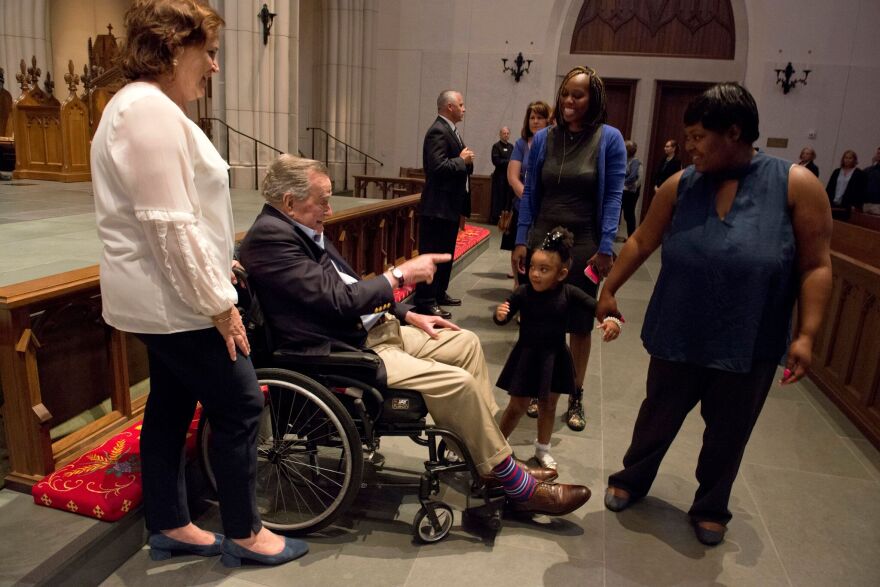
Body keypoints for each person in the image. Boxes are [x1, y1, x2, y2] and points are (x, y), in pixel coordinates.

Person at [238, 154, 592, 517]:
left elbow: (351, 285)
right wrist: (400, 276)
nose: (330, 208)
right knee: (458, 383)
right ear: (290, 203)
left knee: (466, 343)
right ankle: (514, 482)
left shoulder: (299, 226)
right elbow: (338, 299)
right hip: (341, 351)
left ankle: (484, 457)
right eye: (323, 200)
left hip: (370, 329)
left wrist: (409, 313)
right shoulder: (272, 238)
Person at [91, 0, 306, 567]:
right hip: (178, 304)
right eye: (208, 52)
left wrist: (219, 263)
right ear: (171, 47)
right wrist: (220, 303)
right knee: (238, 405)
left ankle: (170, 522)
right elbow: (169, 227)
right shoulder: (147, 112)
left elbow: (178, 220)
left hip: (170, 297)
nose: (214, 66)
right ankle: (244, 531)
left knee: (169, 404)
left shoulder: (145, 107)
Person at [597, 83, 832, 546]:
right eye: (688, 138)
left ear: (734, 131)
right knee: (658, 414)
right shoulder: (680, 184)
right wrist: (610, 287)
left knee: (729, 429)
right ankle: (633, 477)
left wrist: (806, 335)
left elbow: (816, 264)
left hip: (750, 335)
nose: (690, 147)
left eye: (699, 137)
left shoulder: (794, 184)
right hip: (679, 326)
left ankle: (710, 505)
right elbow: (643, 239)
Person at [512, 66, 626, 433]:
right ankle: (537, 390)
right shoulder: (544, 138)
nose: (568, 101)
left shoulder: (609, 139)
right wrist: (521, 238)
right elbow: (530, 192)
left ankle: (575, 393)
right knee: (539, 318)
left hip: (585, 242)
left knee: (578, 323)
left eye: (577, 95)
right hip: (543, 237)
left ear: (594, 99)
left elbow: (612, 197)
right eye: (564, 94)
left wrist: (607, 245)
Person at [495, 227, 620, 469]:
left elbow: (597, 308)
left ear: (562, 273)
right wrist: (501, 315)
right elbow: (505, 311)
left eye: (544, 270)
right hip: (526, 356)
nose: (535, 274)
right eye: (532, 267)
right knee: (517, 405)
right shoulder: (523, 292)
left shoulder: (569, 293)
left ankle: (543, 449)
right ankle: (497, 445)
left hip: (554, 357)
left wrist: (613, 320)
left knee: (548, 405)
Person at [414, 90, 474, 319]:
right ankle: (425, 300)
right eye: (461, 104)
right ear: (449, 107)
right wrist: (462, 160)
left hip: (448, 206)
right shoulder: (438, 131)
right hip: (436, 207)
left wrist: (464, 161)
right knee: (432, 254)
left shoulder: (451, 130)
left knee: (445, 253)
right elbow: (437, 167)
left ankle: (439, 292)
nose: (464, 108)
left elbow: (461, 163)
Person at [502, 101, 551, 277]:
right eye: (532, 117)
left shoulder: (552, 142)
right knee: (520, 248)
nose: (535, 121)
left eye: (539, 117)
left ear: (548, 120)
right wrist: (529, 197)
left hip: (546, 208)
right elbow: (513, 177)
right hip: (521, 203)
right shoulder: (521, 144)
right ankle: (518, 284)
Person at [826, 149, 866, 217]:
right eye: (846, 158)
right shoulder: (837, 171)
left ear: (854, 160)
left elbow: (860, 191)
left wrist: (855, 205)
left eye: (850, 158)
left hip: (847, 205)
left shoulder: (859, 173)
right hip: (833, 203)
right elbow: (830, 187)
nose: (847, 160)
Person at [490, 126, 514, 225]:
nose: (506, 135)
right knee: (498, 198)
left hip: (509, 176)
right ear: (500, 134)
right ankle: (496, 219)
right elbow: (496, 161)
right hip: (499, 177)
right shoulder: (496, 146)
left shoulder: (511, 147)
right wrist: (509, 162)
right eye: (504, 133)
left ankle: (506, 220)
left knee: (507, 198)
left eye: (507, 133)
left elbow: (515, 160)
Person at [621, 140, 642, 239]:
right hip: (625, 191)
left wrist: (621, 182)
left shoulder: (635, 161)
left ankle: (631, 238)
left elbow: (633, 176)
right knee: (626, 215)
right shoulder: (625, 160)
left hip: (631, 192)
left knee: (629, 215)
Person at [863, 146, 880, 215]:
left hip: (878, 205)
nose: (879, 155)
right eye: (878, 153)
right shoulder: (868, 170)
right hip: (866, 203)